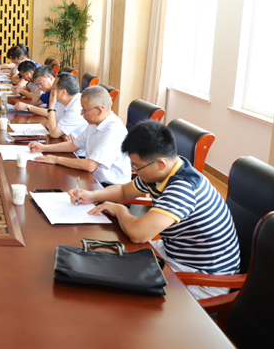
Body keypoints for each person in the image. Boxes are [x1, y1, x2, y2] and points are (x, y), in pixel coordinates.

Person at [69, 120, 240, 300]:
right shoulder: (167, 170)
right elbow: (124, 191)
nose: (135, 171)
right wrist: (92, 196)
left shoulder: (183, 188)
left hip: (203, 277)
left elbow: (139, 234)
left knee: (115, 289)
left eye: (137, 166)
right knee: (106, 257)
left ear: (161, 164)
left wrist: (119, 210)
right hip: (175, 251)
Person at [28, 85, 130, 186]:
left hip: (111, 187)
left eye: (84, 110)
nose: (82, 114)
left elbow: (90, 165)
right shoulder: (94, 123)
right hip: (93, 178)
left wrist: (56, 159)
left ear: (99, 111)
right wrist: (44, 148)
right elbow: (73, 145)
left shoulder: (113, 130)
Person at [43, 73, 88, 141]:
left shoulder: (77, 108)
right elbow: (49, 124)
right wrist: (62, 133)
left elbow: (53, 133)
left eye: (53, 88)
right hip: (69, 143)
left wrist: (52, 105)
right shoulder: (64, 101)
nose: (51, 91)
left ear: (63, 92)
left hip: (79, 147)